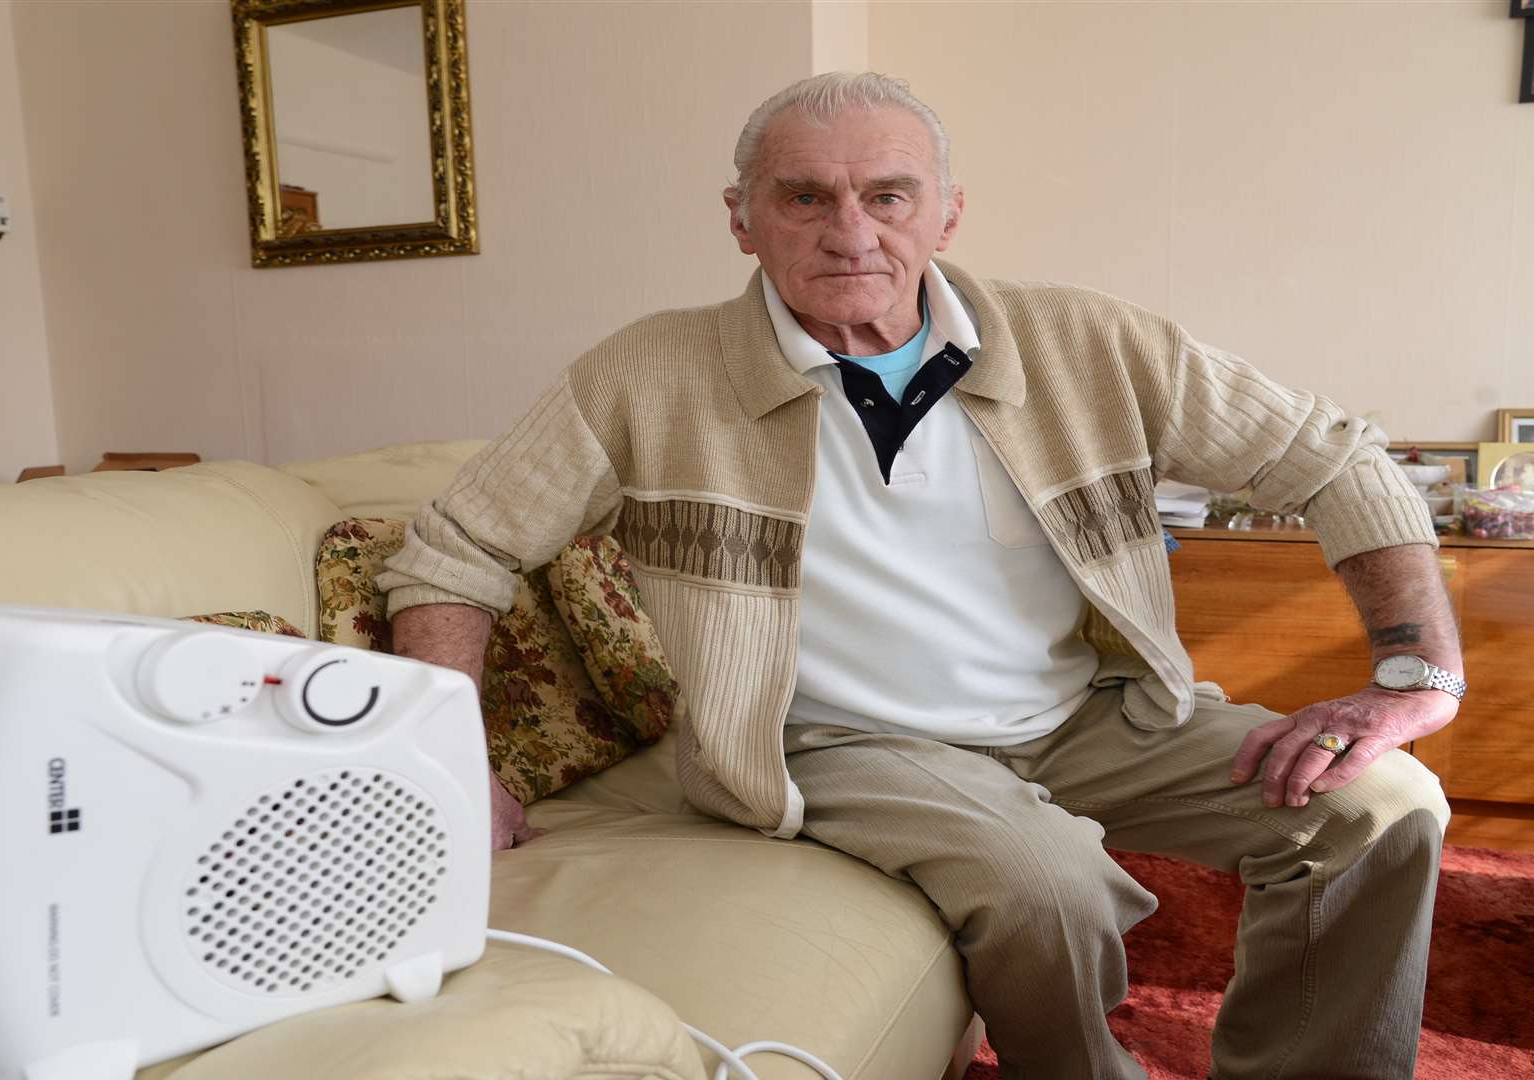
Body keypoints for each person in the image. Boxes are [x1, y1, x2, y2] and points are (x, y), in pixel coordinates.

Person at [377, 72, 1457, 1079]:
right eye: (804, 198)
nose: (851, 234)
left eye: (888, 196)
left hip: (1088, 714)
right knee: (1044, 884)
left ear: (947, 214)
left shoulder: (1086, 342)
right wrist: (452, 758)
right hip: (836, 741)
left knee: (1382, 803)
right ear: (741, 218)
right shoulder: (647, 371)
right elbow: (457, 551)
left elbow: (1337, 458)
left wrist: (1414, 675)